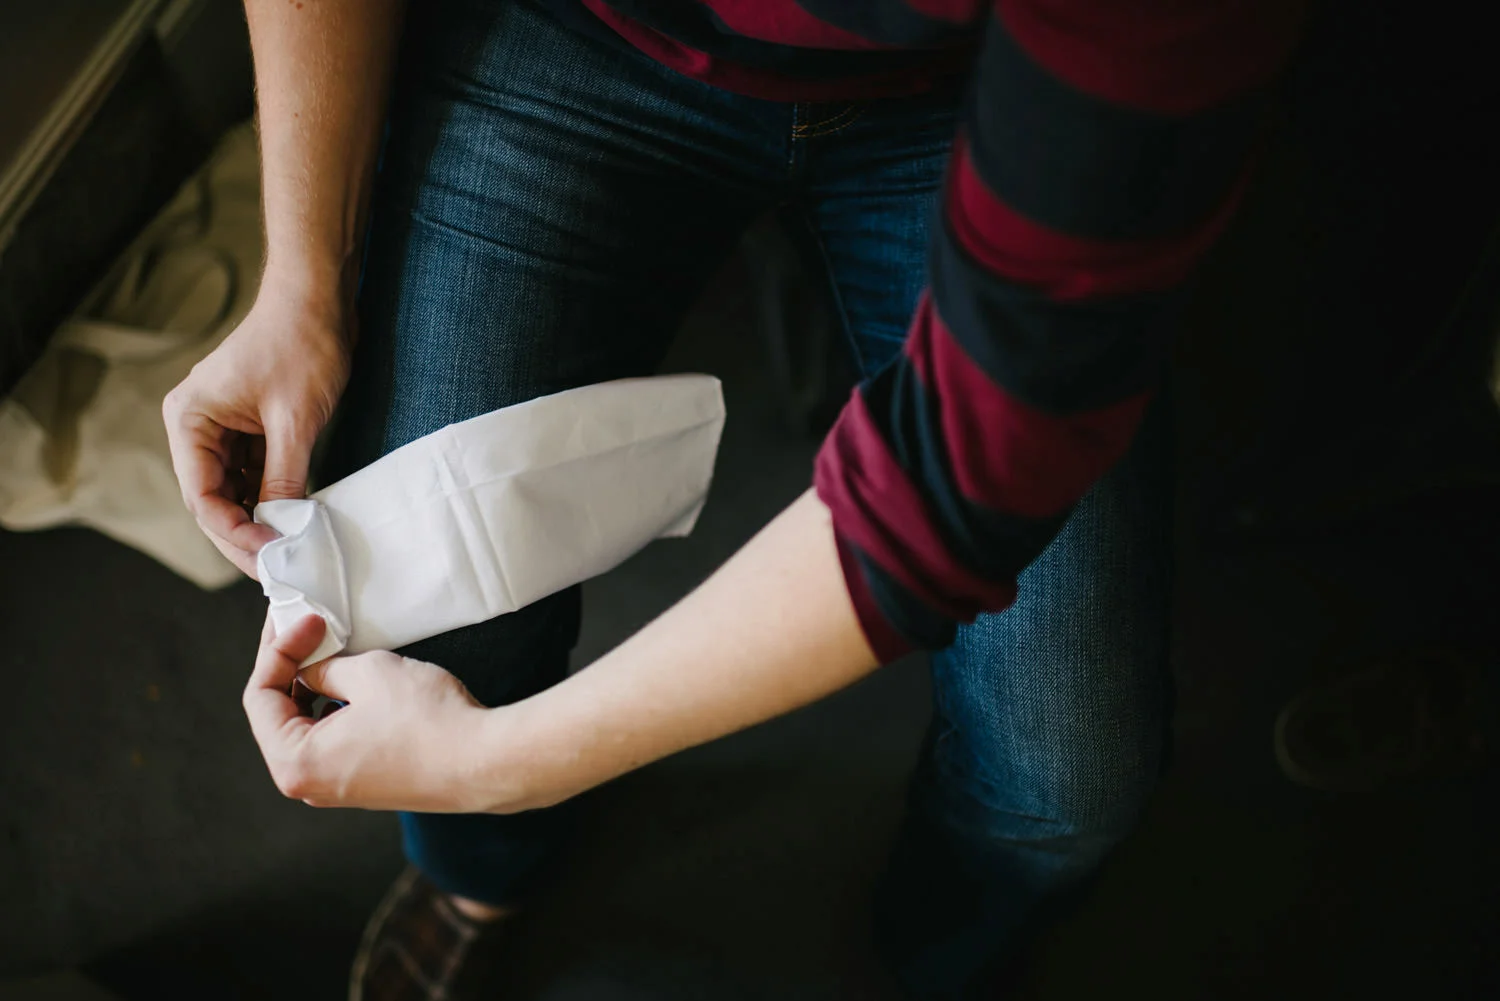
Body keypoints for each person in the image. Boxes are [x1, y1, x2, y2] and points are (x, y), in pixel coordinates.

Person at [163, 1, 1304, 997]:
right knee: (419, 618)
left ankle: (943, 958)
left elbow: (956, 478)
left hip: (977, 98)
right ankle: (484, 879)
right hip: (578, 35)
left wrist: (502, 761)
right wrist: (305, 282)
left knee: (1074, 762)